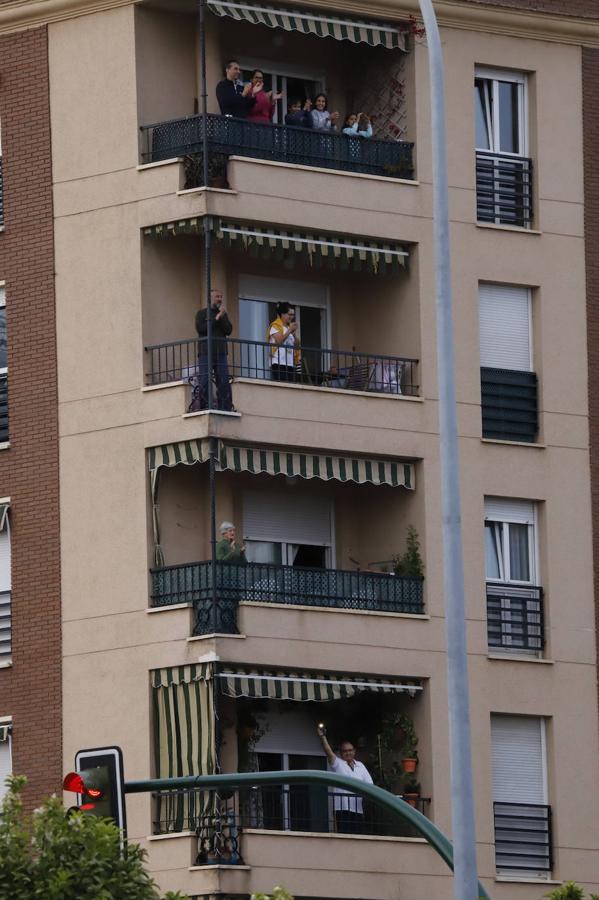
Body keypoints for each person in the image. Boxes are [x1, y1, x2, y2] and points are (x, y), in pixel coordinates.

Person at [317, 725, 373, 834]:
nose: (348, 753)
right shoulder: (338, 764)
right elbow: (328, 751)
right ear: (341, 753)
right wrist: (323, 737)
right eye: (345, 751)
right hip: (342, 809)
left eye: (350, 750)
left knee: (358, 839)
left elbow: (370, 784)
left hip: (358, 809)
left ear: (354, 751)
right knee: (344, 839)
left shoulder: (360, 765)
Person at [191, 289, 233, 412]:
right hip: (205, 352)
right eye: (217, 297)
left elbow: (229, 330)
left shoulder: (223, 314)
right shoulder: (202, 313)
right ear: (210, 299)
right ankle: (205, 407)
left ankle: (225, 408)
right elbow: (202, 329)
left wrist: (222, 316)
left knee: (224, 381)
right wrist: (217, 317)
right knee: (204, 380)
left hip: (221, 353)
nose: (219, 299)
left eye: (221, 296)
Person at [268, 302, 300, 382]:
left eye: (293, 315)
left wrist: (294, 334)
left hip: (290, 363)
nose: (291, 317)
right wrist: (289, 330)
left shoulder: (288, 328)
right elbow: (279, 341)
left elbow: (296, 346)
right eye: (289, 314)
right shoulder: (275, 326)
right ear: (282, 314)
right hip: (278, 363)